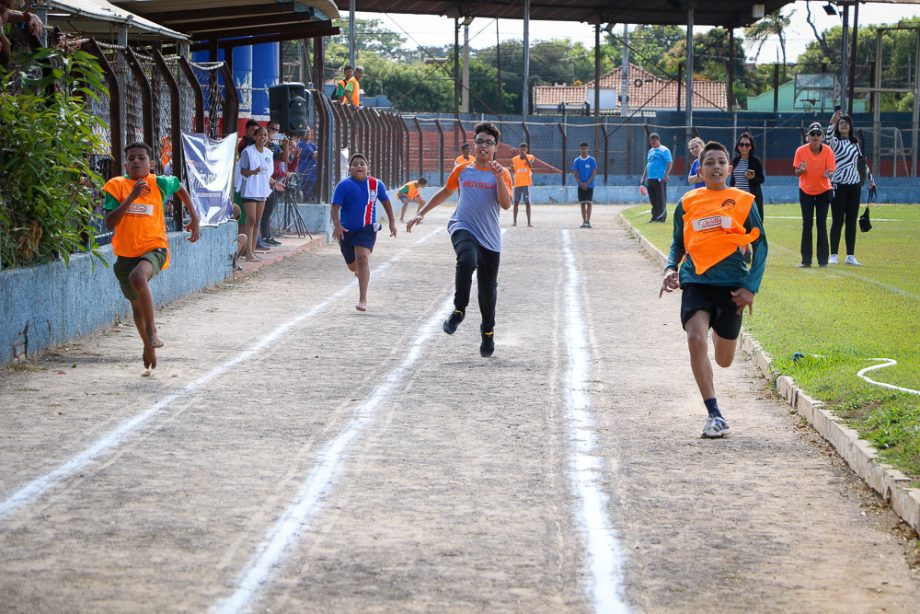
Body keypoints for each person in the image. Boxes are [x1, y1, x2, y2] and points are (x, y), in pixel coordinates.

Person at [659, 140, 768, 438]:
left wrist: (751, 287)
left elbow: (761, 245)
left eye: (721, 162)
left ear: (729, 169)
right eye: (709, 163)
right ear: (701, 169)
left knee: (724, 359)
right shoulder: (688, 201)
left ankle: (723, 328)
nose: (716, 167)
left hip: (731, 285)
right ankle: (714, 414)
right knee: (695, 338)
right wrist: (671, 268)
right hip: (696, 280)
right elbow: (678, 243)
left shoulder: (743, 200)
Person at [407, 121, 512, 358]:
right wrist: (421, 213)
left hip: (490, 239)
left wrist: (497, 178)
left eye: (488, 142)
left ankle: (487, 332)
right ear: (473, 145)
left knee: (488, 292)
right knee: (466, 261)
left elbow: (505, 204)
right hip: (462, 226)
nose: (483, 146)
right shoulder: (463, 170)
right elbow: (446, 190)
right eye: (479, 141)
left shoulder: (502, 173)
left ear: (496, 147)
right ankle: (458, 310)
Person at [103, 141, 201, 372]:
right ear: (125, 164)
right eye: (132, 158)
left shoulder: (158, 183)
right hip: (126, 253)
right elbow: (109, 222)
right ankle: (148, 345)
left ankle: (153, 331)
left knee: (138, 278)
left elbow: (179, 186)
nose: (137, 161)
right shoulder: (116, 186)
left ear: (151, 163)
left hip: (154, 247)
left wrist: (194, 217)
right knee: (136, 308)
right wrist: (131, 197)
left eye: (142, 158)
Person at [331, 153, 397, 312]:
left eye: (362, 164)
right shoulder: (344, 185)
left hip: (367, 229)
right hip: (346, 231)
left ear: (368, 168)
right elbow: (335, 207)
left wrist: (392, 222)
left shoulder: (376, 184)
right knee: (353, 266)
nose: (359, 166)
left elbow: (386, 202)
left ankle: (363, 299)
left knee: (362, 259)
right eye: (355, 164)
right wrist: (337, 224)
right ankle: (358, 271)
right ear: (349, 169)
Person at [826, 111, 875, 265]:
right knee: (837, 221)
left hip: (854, 186)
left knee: (851, 221)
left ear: (850, 126)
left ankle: (850, 256)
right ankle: (833, 255)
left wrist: (871, 179)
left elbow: (861, 163)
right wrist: (831, 123)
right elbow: (828, 138)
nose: (844, 124)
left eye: (846, 122)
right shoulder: (835, 142)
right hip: (839, 185)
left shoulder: (855, 143)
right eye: (841, 123)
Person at [793, 122, 836, 268]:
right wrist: (801, 170)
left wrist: (828, 173)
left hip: (824, 191)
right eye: (813, 134)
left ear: (822, 137)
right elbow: (796, 172)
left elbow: (831, 171)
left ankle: (823, 260)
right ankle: (806, 260)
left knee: (821, 224)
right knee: (807, 224)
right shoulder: (800, 151)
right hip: (806, 191)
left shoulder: (828, 151)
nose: (815, 137)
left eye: (818, 134)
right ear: (808, 137)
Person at [239, 126, 275, 262]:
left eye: (265, 135)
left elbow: (269, 172)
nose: (263, 138)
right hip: (249, 189)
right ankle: (247, 252)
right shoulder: (248, 152)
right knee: (251, 219)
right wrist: (253, 172)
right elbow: (243, 171)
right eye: (260, 135)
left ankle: (252, 251)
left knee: (257, 221)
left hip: (262, 190)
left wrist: (272, 181)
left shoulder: (268, 153)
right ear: (255, 137)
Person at [729, 132, 766, 221]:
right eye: (741, 145)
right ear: (738, 146)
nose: (744, 147)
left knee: (752, 225)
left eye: (747, 145)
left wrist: (753, 178)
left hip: (751, 200)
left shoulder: (755, 161)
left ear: (751, 147)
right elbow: (733, 180)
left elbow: (762, 179)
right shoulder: (735, 160)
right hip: (737, 199)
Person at [641, 132, 672, 223]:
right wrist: (644, 177)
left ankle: (661, 217)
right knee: (653, 199)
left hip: (660, 178)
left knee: (660, 199)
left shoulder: (664, 150)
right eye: (651, 142)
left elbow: (669, 163)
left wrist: (666, 175)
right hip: (650, 178)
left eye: (654, 141)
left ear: (658, 140)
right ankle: (654, 217)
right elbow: (648, 164)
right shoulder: (650, 151)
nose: (652, 143)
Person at [0, 0, 41, 67]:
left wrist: (24, 17)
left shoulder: (3, 13)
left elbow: (7, 14)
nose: (3, 8)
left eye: (7, 6)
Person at [571, 142, 597, 228]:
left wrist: (587, 183)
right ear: (580, 149)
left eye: (585, 148)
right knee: (582, 203)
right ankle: (584, 221)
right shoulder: (577, 161)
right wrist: (581, 183)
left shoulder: (592, 160)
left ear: (588, 149)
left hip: (590, 185)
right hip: (580, 186)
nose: (584, 150)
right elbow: (575, 173)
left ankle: (588, 221)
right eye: (582, 149)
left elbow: (593, 173)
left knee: (589, 203)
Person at [512, 142, 535, 227]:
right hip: (517, 183)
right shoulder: (514, 159)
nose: (522, 152)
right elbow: (514, 171)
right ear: (519, 150)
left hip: (526, 183)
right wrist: (512, 170)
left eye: (524, 150)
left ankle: (529, 222)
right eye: (521, 150)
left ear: (527, 150)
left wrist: (525, 157)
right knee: (516, 202)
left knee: (527, 202)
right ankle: (514, 221)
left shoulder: (530, 157)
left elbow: (531, 166)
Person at [295, 127, 318, 202]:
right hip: (306, 175)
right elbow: (314, 155)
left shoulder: (313, 145)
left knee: (314, 198)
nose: (309, 133)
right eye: (306, 131)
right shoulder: (301, 144)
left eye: (309, 131)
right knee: (307, 198)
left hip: (314, 175)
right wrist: (325, 148)